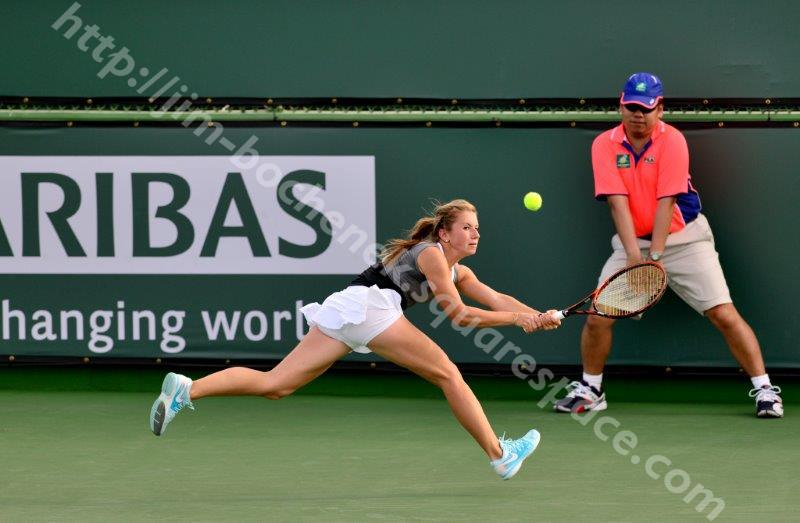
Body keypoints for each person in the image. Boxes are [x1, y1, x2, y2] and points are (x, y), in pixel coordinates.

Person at [149, 199, 562, 479]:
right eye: (467, 228)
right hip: (371, 309)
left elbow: (496, 298)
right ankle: (499, 455)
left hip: (347, 309)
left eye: (477, 228)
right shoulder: (432, 255)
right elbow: (460, 314)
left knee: (277, 384)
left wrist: (533, 316)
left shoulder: (460, 271)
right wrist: (515, 320)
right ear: (444, 234)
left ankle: (187, 390)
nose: (475, 235)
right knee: (449, 375)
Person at [554, 73, 783, 418]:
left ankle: (765, 390)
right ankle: (591, 388)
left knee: (723, 313)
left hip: (686, 239)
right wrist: (635, 258)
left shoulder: (673, 141)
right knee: (599, 318)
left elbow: (667, 202)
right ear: (621, 105)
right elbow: (618, 203)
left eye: (646, 108)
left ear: (659, 108)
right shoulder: (603, 144)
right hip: (632, 244)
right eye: (631, 107)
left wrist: (655, 258)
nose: (638, 115)